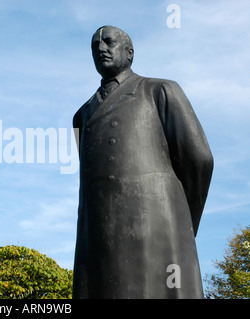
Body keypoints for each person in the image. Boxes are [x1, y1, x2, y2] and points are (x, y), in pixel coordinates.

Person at [72, 25, 214, 298]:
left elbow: (199, 160)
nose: (101, 48)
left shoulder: (160, 91)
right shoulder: (81, 116)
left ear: (130, 52)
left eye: (109, 42)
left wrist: (182, 222)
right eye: (95, 46)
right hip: (98, 238)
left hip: (157, 228)